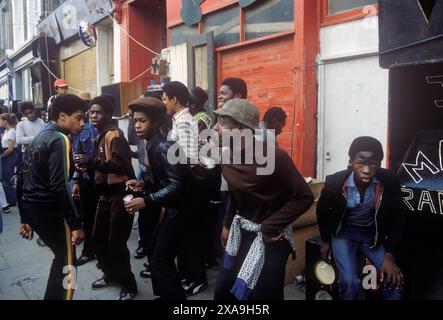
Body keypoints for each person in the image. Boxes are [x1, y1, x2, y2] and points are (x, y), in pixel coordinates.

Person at [213, 98, 314, 300]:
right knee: (224, 290)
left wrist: (270, 226)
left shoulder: (275, 157)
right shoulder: (226, 158)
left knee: (265, 294)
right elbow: (236, 194)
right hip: (241, 232)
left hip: (272, 238)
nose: (215, 129)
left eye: (222, 123)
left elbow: (304, 197)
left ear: (240, 129)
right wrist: (226, 223)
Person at [316, 136, 406, 300]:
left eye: (372, 164)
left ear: (379, 164)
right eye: (360, 163)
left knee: (395, 282)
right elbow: (322, 211)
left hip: (371, 235)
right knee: (350, 283)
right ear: (351, 162)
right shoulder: (335, 182)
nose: (366, 169)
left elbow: (399, 217)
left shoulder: (389, 180)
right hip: (344, 234)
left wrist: (390, 256)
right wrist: (326, 241)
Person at [17, 94, 87, 300]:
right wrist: (76, 224)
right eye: (79, 117)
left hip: (35, 212)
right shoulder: (60, 139)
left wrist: (25, 218)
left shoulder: (39, 137)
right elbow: (60, 185)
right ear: (62, 116)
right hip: (50, 212)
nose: (82, 123)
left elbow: (21, 180)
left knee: (61, 259)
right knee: (69, 264)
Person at [124, 96, 193, 300]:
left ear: (155, 123)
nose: (137, 125)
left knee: (159, 260)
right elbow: (166, 180)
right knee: (155, 253)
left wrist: (146, 200)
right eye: (135, 120)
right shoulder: (153, 144)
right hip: (173, 209)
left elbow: (177, 185)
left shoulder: (163, 147)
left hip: (180, 211)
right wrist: (144, 184)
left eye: (142, 121)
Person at [76, 95, 138, 300]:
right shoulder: (100, 134)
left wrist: (91, 161)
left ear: (108, 114)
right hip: (105, 194)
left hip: (121, 193)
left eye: (98, 112)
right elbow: (102, 165)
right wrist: (87, 165)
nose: (93, 115)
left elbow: (120, 165)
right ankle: (110, 275)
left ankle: (129, 285)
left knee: (116, 242)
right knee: (98, 238)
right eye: (91, 111)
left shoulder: (115, 135)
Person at [162, 81, 208, 295]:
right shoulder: (178, 120)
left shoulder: (183, 122)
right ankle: (188, 275)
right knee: (186, 235)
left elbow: (189, 158)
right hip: (185, 185)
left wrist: (178, 183)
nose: (163, 102)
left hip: (189, 187)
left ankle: (198, 279)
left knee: (191, 235)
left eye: (164, 98)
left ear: (174, 99)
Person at [71, 91, 98, 266]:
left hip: (95, 179)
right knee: (86, 215)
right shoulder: (73, 129)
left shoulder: (91, 129)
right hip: (84, 179)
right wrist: (76, 181)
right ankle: (91, 249)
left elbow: (89, 157)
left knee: (91, 217)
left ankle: (91, 250)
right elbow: (76, 156)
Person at [0, 113, 18, 206]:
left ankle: (13, 199)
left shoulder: (11, 132)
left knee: (7, 177)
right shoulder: (6, 132)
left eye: (0, 120)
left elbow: (10, 149)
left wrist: (2, 156)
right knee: (5, 177)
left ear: (5, 121)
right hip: (6, 153)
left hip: (9, 155)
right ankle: (10, 198)